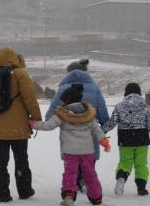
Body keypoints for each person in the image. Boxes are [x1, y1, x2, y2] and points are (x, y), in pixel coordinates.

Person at [0, 47, 42, 203]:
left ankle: (2, 194)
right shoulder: (19, 74)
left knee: (0, 162)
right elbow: (30, 98)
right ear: (14, 58)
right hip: (18, 127)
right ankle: (25, 191)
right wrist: (36, 117)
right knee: (21, 160)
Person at [31, 84, 111, 206]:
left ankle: (69, 195)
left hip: (70, 152)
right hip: (87, 152)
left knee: (70, 173)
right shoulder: (88, 114)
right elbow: (97, 131)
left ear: (66, 101)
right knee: (90, 174)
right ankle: (96, 197)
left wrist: (34, 124)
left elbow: (48, 126)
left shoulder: (61, 114)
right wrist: (104, 142)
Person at [45, 59, 108, 195]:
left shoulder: (63, 89)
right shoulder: (95, 89)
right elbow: (102, 113)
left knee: (71, 159)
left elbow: (51, 113)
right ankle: (87, 181)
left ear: (68, 73)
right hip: (89, 131)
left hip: (69, 133)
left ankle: (75, 182)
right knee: (89, 158)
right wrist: (103, 127)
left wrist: (52, 120)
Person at [101, 83, 150, 196]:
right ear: (139, 93)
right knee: (141, 164)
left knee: (125, 162)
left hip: (125, 137)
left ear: (126, 92)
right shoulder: (145, 106)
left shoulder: (120, 106)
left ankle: (121, 178)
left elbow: (112, 122)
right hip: (142, 138)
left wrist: (101, 131)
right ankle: (141, 188)